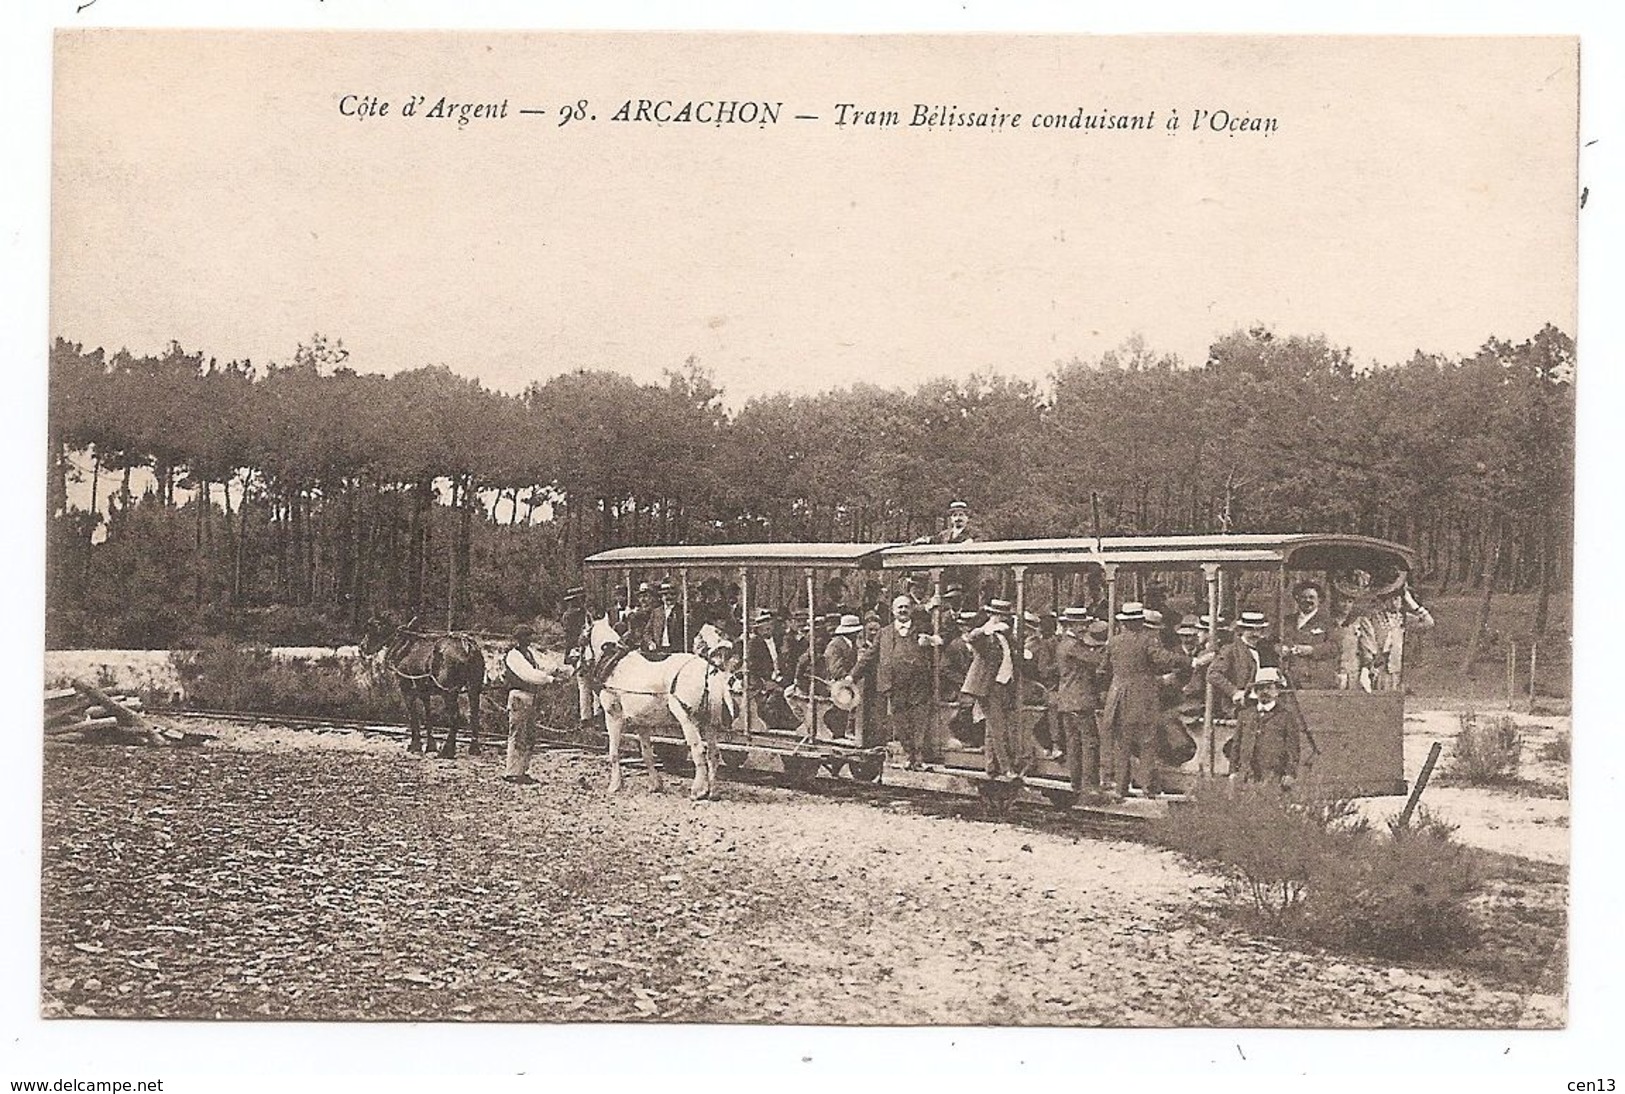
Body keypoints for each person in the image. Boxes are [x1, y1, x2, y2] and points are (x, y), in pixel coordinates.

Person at [1100, 601, 1183, 798]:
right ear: (1140, 622)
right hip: (1143, 697)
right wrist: (1187, 661)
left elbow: (1103, 669)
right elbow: (1164, 659)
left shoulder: (1113, 642)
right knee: (1147, 742)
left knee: (1123, 744)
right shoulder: (1147, 641)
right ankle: (1148, 788)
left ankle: (1121, 789)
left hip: (1118, 697)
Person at [857, 594, 940, 769]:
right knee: (900, 722)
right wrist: (852, 676)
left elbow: (941, 641)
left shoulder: (922, 629)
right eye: (899, 607)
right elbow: (870, 656)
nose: (902, 610)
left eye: (906, 607)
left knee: (919, 720)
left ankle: (918, 757)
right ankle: (909, 753)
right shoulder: (884, 632)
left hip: (918, 685)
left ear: (911, 610)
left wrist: (931, 641)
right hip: (895, 686)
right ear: (893, 611)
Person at [960, 599, 1034, 782]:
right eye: (1001, 616)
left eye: (1006, 617)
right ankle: (1006, 768)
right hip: (987, 687)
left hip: (1003, 685)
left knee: (993, 728)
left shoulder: (1004, 636)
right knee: (998, 727)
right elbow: (971, 637)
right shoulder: (985, 635)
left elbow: (1011, 654)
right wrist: (987, 629)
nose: (1004, 620)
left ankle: (991, 766)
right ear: (994, 616)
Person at [502, 624, 566, 784]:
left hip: (529, 697)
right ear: (520, 638)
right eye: (527, 636)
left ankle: (522, 771)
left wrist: (558, 671)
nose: (530, 639)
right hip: (519, 696)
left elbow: (541, 667)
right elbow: (529, 674)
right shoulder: (514, 656)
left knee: (528, 735)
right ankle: (512, 772)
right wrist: (549, 679)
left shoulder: (527, 653)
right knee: (518, 734)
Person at [1054, 608, 1107, 789]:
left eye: (1085, 624)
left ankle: (1076, 782)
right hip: (1079, 700)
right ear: (1071, 625)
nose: (1084, 628)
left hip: (1068, 700)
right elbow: (1096, 660)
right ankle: (1089, 783)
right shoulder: (1073, 645)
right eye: (1081, 625)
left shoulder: (1066, 643)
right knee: (1089, 741)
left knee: (1074, 742)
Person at [1233, 667, 1301, 786]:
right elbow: (1236, 745)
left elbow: (1293, 748)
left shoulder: (1286, 716)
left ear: (1277, 690)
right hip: (1247, 776)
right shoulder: (1245, 714)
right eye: (1259, 688)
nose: (1264, 691)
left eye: (1269, 687)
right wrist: (1233, 771)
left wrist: (1290, 773)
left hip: (1274, 775)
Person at [1367, 586, 1435, 691]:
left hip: (1396, 668)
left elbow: (1429, 623)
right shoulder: (1375, 617)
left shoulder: (1404, 618)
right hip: (1378, 667)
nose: (1394, 603)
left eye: (1397, 599)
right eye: (1390, 599)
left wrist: (1412, 603)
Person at [1207, 610, 1273, 719]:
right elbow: (1213, 674)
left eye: (1258, 630)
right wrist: (1234, 692)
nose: (1255, 634)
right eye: (1250, 629)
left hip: (1262, 702)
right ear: (1241, 630)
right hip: (1239, 706)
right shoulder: (1230, 650)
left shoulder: (1265, 650)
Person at [1280, 580, 1340, 689]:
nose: (1307, 600)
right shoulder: (1286, 621)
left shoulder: (1328, 622)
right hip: (1290, 679)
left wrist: (1311, 650)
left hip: (1316, 680)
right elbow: (1273, 642)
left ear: (1319, 600)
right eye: (1303, 597)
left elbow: (1334, 647)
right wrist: (1280, 648)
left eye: (1312, 597)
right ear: (1297, 599)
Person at [1023, 610, 1062, 759]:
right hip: (1045, 686)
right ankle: (1053, 744)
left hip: (1049, 685)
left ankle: (1053, 745)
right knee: (1053, 705)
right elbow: (1044, 670)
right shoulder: (1046, 644)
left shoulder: (1048, 643)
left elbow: (1043, 670)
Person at [559, 586, 595, 730]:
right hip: (579, 651)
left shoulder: (583, 614)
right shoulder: (573, 616)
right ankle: (587, 717)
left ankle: (588, 716)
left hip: (584, 651)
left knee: (586, 685)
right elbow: (571, 638)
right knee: (586, 684)